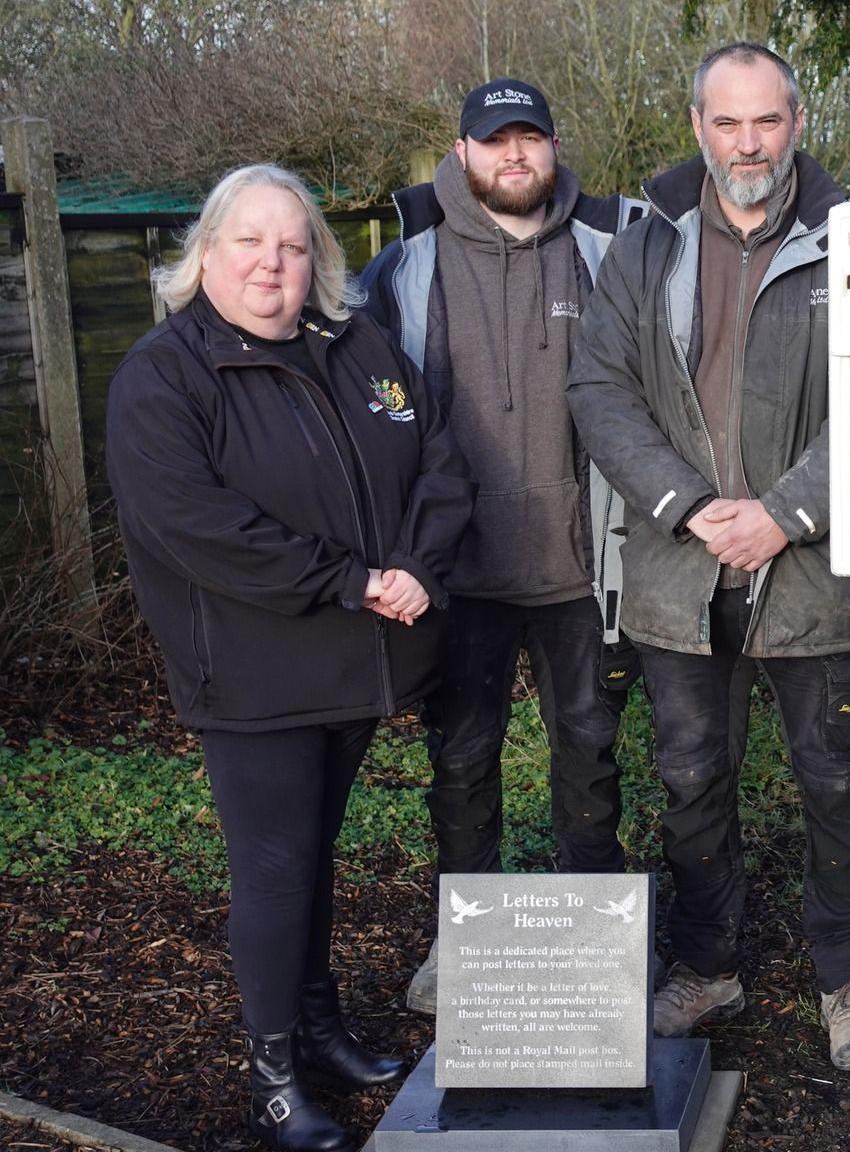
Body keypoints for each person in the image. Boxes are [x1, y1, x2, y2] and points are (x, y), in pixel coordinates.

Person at [105, 165, 472, 1150]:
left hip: (358, 663)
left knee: (314, 855)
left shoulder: (357, 348)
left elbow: (437, 457)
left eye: (294, 243)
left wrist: (416, 564)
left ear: (318, 260)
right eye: (248, 242)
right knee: (274, 866)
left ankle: (318, 1029)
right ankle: (273, 1072)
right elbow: (200, 527)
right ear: (206, 255)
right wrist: (350, 579)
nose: (272, 262)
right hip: (255, 675)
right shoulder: (164, 374)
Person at [566, 42, 850, 1071]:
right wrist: (690, 506)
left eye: (766, 122)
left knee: (834, 782)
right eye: (726, 122)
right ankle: (708, 964)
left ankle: (846, 982)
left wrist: (788, 512)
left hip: (817, 570)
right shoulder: (643, 244)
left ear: (796, 124)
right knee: (691, 775)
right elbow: (596, 391)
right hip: (681, 564)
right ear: (696, 126)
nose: (746, 143)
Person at [360, 78, 648, 1015]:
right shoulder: (405, 266)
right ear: (462, 150)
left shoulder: (609, 251)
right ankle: (462, 943)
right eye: (496, 141)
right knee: (460, 762)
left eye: (531, 139)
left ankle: (597, 945)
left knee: (590, 757)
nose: (514, 156)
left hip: (581, 568)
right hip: (459, 571)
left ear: (555, 148)